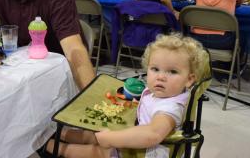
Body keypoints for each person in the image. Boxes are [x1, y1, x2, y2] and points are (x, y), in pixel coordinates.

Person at [45, 33, 208, 158]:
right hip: (139, 133)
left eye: (172, 72)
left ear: (189, 79)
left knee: (101, 150)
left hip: (144, 152)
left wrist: (111, 139)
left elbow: (153, 134)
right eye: (155, 69)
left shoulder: (169, 108)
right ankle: (61, 134)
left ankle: (58, 148)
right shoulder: (168, 92)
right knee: (97, 133)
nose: (161, 77)